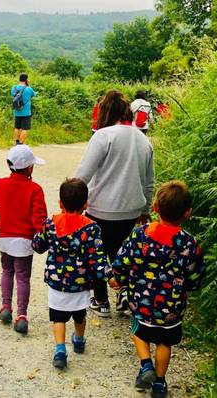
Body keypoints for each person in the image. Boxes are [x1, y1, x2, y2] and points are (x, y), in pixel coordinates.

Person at [109, 181, 205, 398]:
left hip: (140, 302)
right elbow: (195, 275)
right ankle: (160, 383)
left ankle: (145, 365)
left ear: (155, 207)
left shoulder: (140, 234)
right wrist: (189, 287)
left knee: (138, 330)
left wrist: (117, 278)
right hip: (172, 306)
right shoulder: (189, 243)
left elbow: (122, 262)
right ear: (188, 212)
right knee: (165, 342)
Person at [75, 89, 154, 317]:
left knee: (96, 254)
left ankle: (101, 301)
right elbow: (149, 182)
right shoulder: (143, 139)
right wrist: (145, 209)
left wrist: (73, 202)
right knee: (121, 253)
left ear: (105, 111)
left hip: (101, 208)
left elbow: (84, 174)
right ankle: (123, 295)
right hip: (131, 209)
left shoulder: (103, 136)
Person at [32, 178, 109, 369]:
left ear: (60, 203)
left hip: (57, 282)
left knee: (58, 317)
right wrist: (111, 276)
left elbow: (38, 246)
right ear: (86, 204)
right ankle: (79, 340)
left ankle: (60, 349)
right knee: (79, 315)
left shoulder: (51, 223)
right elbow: (97, 259)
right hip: (80, 283)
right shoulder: (92, 228)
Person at [0, 145, 47, 334]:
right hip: (25, 241)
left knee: (7, 271)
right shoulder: (35, 190)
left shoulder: (0, 184)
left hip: (5, 239)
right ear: (30, 168)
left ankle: (6, 307)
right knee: (23, 277)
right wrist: (44, 236)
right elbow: (39, 220)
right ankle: (22, 315)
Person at [10, 73, 36, 145]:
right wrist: (28, 85)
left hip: (17, 111)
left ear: (19, 79)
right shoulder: (28, 89)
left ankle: (16, 142)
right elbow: (33, 94)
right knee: (24, 129)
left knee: (17, 127)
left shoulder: (14, 88)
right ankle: (21, 144)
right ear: (26, 80)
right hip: (26, 112)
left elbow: (13, 95)